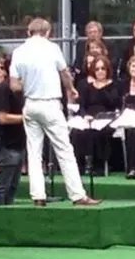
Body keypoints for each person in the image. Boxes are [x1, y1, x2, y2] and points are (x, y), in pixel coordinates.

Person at [9, 18, 100, 206]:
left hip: (31, 104)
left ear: (29, 32)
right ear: (47, 32)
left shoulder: (18, 52)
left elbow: (14, 85)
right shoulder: (52, 48)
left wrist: (29, 85)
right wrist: (71, 89)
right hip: (50, 103)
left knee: (34, 152)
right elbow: (64, 73)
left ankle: (38, 196)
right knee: (64, 149)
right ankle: (77, 195)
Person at [0, 57, 25, 205]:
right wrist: (26, 117)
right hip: (7, 144)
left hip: (20, 143)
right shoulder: (3, 89)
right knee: (2, 187)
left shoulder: (23, 88)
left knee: (12, 187)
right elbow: (2, 118)